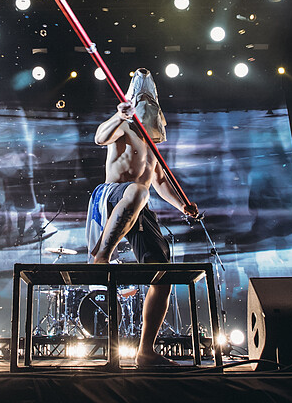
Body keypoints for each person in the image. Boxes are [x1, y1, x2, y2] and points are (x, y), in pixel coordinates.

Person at [86, 68, 199, 369]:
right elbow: (99, 137)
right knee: (138, 191)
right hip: (113, 195)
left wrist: (182, 206)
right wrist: (119, 116)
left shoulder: (152, 144)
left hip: (140, 203)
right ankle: (102, 256)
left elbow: (159, 181)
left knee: (162, 274)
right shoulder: (124, 128)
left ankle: (145, 352)